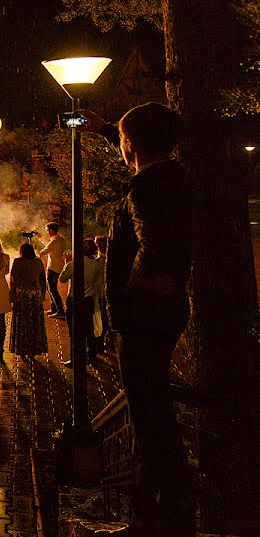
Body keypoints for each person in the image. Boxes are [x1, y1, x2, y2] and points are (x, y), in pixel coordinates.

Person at [82, 104, 193, 537]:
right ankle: (147, 516)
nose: (122, 147)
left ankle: (165, 518)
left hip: (144, 322)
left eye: (124, 140)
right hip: (157, 318)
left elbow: (157, 247)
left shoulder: (146, 189)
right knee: (148, 421)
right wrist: (108, 130)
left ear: (133, 145)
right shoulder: (172, 176)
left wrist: (133, 289)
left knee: (152, 422)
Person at [58, 240, 102, 366]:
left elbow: (62, 279)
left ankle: (75, 358)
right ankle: (92, 356)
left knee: (74, 331)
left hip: (74, 299)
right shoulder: (95, 264)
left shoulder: (72, 264)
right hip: (88, 299)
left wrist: (66, 263)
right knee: (89, 328)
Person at [9, 242, 48, 362]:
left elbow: (13, 279)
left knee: (22, 322)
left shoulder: (18, 262)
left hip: (23, 295)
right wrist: (42, 295)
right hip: (35, 295)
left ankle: (22, 348)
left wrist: (13, 295)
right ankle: (34, 349)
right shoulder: (38, 262)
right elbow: (43, 280)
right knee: (34, 322)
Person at [34, 223, 67, 318]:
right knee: (52, 288)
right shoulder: (60, 240)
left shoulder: (54, 242)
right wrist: (40, 237)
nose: (47, 232)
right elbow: (49, 244)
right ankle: (54, 309)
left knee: (52, 289)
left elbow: (42, 252)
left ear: (52, 231)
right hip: (58, 267)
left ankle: (60, 311)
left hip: (52, 268)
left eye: (47, 230)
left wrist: (34, 249)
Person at [93, 235, 110, 351]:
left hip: (99, 293)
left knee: (100, 319)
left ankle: (99, 344)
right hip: (107, 292)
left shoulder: (99, 262)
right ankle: (109, 341)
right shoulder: (108, 259)